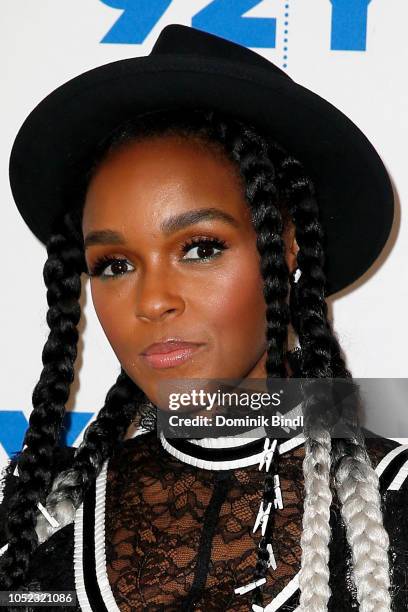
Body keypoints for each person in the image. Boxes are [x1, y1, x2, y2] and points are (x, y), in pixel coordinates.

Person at [0, 23, 407, 612]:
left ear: (286, 247)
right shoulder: (38, 514)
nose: (152, 300)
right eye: (114, 264)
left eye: (200, 248)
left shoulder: (393, 501)